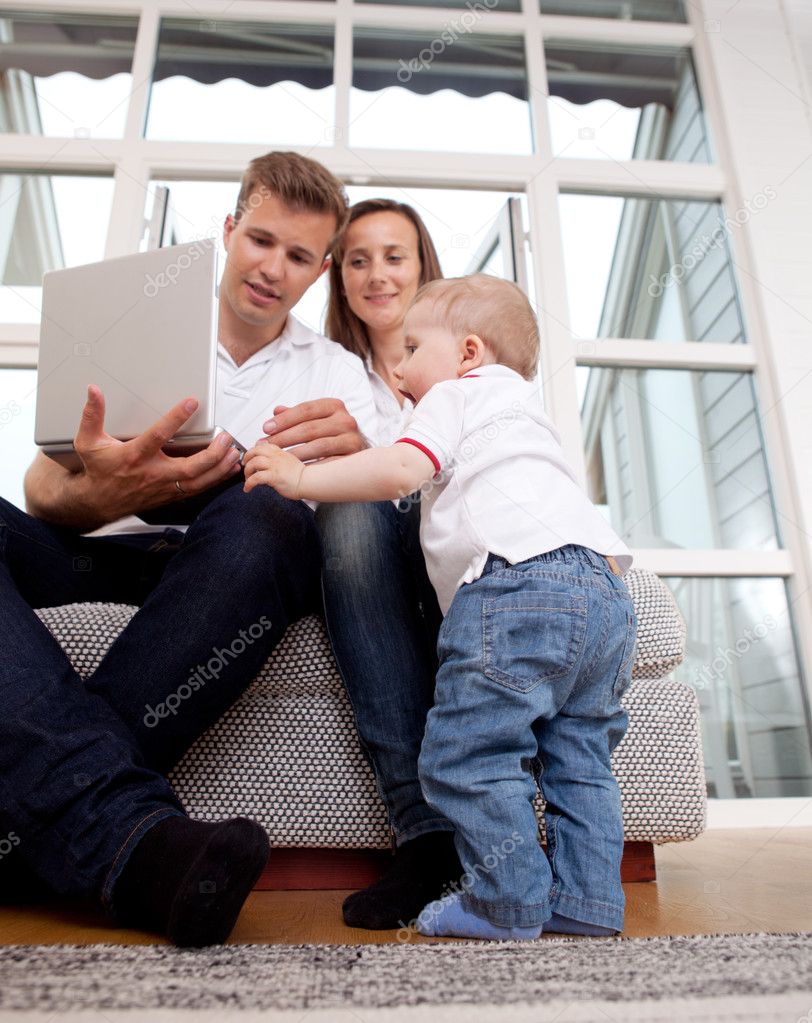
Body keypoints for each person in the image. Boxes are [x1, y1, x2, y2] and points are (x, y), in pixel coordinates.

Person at [0, 151, 376, 946]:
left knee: (270, 515)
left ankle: (64, 824)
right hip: (94, 553)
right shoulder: (131, 325)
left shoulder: (340, 374)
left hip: (223, 567)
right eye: (262, 240)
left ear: (322, 271)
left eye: (300, 256)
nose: (273, 269)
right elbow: (42, 488)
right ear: (230, 229)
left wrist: (349, 464)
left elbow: (372, 513)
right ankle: (125, 839)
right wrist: (109, 494)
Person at [243, 273, 637, 941]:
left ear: (468, 352)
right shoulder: (524, 410)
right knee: (579, 760)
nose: (398, 368)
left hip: (515, 588)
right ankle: (589, 903)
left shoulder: (453, 396)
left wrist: (301, 476)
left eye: (413, 347)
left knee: (465, 754)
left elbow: (400, 470)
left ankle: (504, 901)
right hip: (604, 593)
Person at [313, 200, 463, 929]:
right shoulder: (321, 368)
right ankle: (427, 833)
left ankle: (481, 821)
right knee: (347, 509)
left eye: (394, 255)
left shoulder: (470, 358)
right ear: (338, 278)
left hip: (451, 542)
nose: (376, 274)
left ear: (423, 264)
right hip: (361, 557)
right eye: (357, 259)